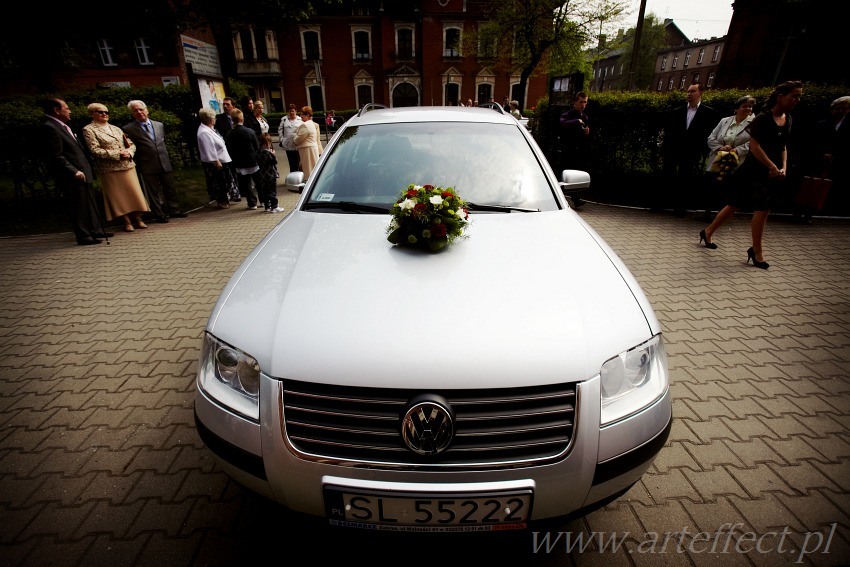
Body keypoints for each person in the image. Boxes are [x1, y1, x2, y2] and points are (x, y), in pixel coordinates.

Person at [700, 80, 804, 270]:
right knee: (762, 208)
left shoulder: (787, 118)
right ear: (781, 97)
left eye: (799, 96)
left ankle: (707, 231)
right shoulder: (762, 119)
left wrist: (783, 166)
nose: (797, 99)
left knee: (734, 204)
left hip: (771, 172)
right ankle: (756, 251)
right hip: (754, 171)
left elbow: (783, 147)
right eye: (794, 96)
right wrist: (772, 166)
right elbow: (754, 147)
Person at [40, 98, 111, 245]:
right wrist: (73, 171)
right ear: (56, 110)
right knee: (78, 205)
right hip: (73, 175)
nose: (69, 110)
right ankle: (84, 235)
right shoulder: (50, 127)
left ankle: (95, 230)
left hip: (84, 171)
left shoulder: (63, 125)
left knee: (89, 203)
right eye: (66, 108)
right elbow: (56, 155)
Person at [81, 103, 150, 232]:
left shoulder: (116, 128)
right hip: (110, 168)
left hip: (127, 166)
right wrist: (118, 154)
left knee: (132, 193)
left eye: (106, 112)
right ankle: (126, 221)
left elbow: (129, 143)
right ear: (92, 114)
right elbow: (95, 150)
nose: (104, 114)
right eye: (100, 112)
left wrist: (129, 152)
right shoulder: (89, 129)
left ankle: (138, 218)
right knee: (118, 196)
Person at [122, 100, 188, 222]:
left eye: (141, 109)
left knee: (169, 188)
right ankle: (159, 214)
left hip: (164, 161)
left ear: (146, 110)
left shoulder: (159, 125)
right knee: (153, 192)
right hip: (147, 164)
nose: (139, 112)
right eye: (135, 111)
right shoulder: (128, 129)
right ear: (132, 113)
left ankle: (174, 210)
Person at [661, 81, 719, 215]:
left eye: (692, 91)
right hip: (674, 150)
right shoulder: (677, 111)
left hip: (692, 152)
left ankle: (680, 208)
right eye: (688, 91)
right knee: (667, 175)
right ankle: (662, 204)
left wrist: (702, 151)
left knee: (685, 178)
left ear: (700, 93)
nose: (689, 94)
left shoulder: (708, 113)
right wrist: (664, 150)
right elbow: (669, 132)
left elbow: (708, 133)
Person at [703, 95, 756, 214]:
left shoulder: (754, 123)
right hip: (718, 160)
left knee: (729, 188)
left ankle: (721, 215)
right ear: (736, 108)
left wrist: (737, 150)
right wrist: (721, 147)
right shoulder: (724, 121)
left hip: (737, 163)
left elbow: (754, 142)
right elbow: (711, 138)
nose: (748, 109)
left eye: (750, 106)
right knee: (713, 186)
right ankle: (708, 212)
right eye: (744, 106)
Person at [559, 91, 593, 207]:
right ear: (575, 102)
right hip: (567, 150)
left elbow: (585, 134)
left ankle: (575, 198)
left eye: (585, 102)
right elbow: (563, 123)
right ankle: (571, 198)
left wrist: (587, 132)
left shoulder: (585, 117)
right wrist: (576, 122)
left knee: (575, 175)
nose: (583, 104)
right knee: (564, 174)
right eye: (581, 102)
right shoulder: (568, 114)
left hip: (578, 151)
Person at [196, 107, 234, 209]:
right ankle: (221, 201)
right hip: (215, 162)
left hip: (222, 159)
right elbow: (209, 148)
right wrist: (216, 161)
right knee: (218, 183)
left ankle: (225, 199)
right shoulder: (204, 132)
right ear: (211, 120)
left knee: (223, 182)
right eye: (214, 118)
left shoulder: (209, 129)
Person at [226, 108, 261, 209]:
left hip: (239, 162)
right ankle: (264, 200)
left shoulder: (230, 134)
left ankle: (252, 203)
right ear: (242, 119)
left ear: (232, 120)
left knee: (246, 184)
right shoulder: (250, 132)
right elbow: (256, 146)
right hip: (252, 160)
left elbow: (229, 149)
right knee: (258, 182)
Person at [213, 97, 241, 203]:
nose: (225, 106)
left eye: (227, 104)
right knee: (230, 172)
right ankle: (234, 192)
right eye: (224, 104)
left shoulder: (237, 116)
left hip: (238, 150)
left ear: (233, 106)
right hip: (226, 150)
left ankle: (242, 190)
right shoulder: (219, 119)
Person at [256, 132, 283, 213]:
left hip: (262, 175)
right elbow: (274, 161)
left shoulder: (257, 152)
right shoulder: (268, 153)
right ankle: (275, 206)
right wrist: (273, 154)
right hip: (270, 174)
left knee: (265, 191)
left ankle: (267, 206)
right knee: (272, 191)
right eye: (268, 143)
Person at [293, 106, 323, 179]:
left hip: (307, 150)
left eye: (302, 114)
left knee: (308, 169)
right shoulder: (312, 123)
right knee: (313, 168)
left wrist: (294, 141)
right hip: (312, 148)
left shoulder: (305, 125)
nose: (301, 116)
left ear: (307, 115)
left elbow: (299, 138)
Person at [277, 104, 302, 175]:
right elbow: (280, 130)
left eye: (293, 111)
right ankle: (292, 177)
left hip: (296, 144)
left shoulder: (300, 120)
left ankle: (298, 176)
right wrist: (281, 139)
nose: (291, 113)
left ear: (296, 111)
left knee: (297, 162)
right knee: (291, 162)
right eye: (290, 111)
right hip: (287, 144)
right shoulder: (284, 119)